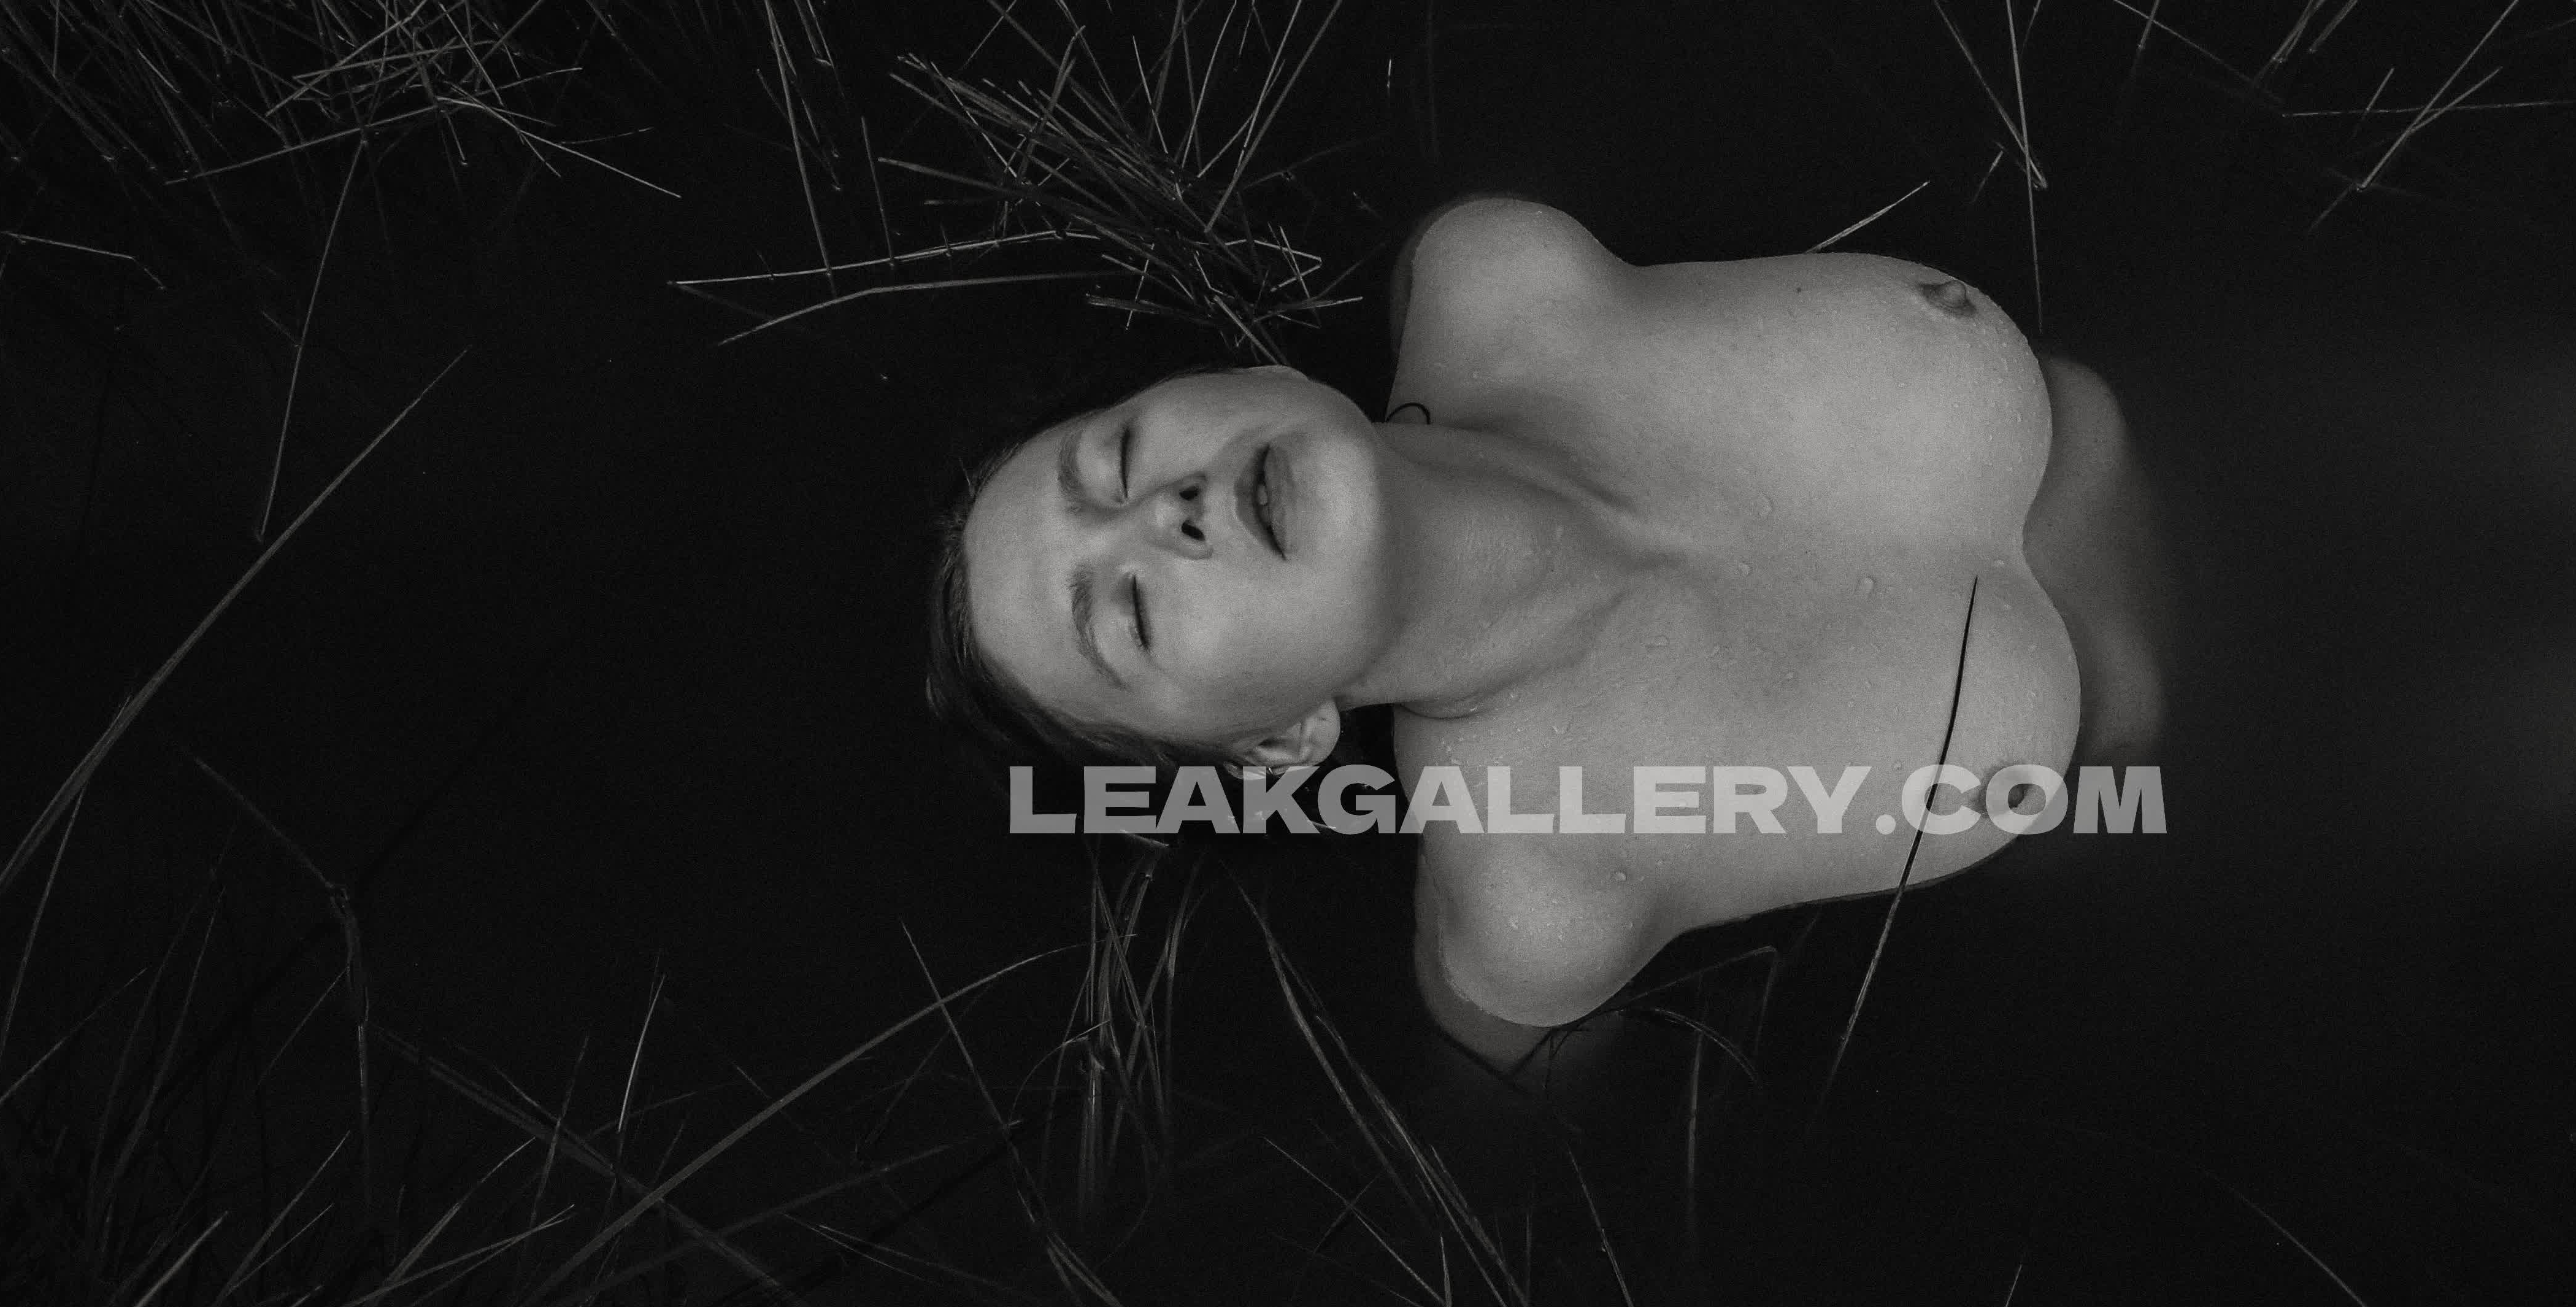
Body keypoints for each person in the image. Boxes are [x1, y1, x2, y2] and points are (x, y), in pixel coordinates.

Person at [926, 196, 2171, 1069]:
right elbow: (1517, 1104)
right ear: (1275, 745)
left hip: (2185, 419)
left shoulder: (1499, 268)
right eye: (1131, 612)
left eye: (1117, 461)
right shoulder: (1544, 898)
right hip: (2152, 799)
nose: (1161, 514)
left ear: (1259, 380)